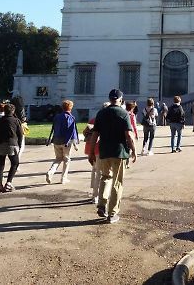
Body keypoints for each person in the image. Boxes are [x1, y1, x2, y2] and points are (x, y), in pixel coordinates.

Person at [89, 89, 136, 224]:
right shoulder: (124, 113)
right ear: (121, 99)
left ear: (110, 99)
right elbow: (128, 135)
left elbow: (95, 135)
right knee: (117, 182)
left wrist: (92, 152)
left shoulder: (101, 113)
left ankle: (102, 204)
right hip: (119, 152)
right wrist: (134, 150)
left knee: (105, 177)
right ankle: (112, 213)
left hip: (104, 151)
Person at [45, 100, 79, 184]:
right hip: (66, 142)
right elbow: (72, 132)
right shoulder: (71, 118)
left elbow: (53, 128)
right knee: (66, 160)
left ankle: (51, 172)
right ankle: (63, 178)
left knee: (58, 159)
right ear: (71, 107)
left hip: (56, 140)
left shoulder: (57, 117)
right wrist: (75, 144)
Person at [0, 103, 23, 193]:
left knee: (0, 165)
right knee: (15, 163)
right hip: (11, 144)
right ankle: (8, 183)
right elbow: (20, 135)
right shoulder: (16, 121)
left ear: (4, 111)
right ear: (13, 111)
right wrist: (19, 146)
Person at [84, 102, 110, 204]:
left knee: (95, 171)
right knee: (100, 173)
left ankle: (94, 192)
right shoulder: (106, 121)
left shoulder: (93, 119)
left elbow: (85, 132)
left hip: (92, 149)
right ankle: (96, 195)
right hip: (100, 150)